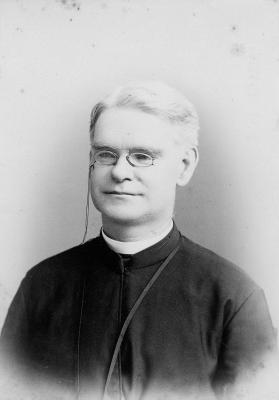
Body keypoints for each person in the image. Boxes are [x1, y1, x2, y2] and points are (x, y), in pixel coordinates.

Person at [0, 81, 277, 400]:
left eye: (142, 157)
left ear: (184, 166)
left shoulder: (233, 296)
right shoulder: (42, 286)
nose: (119, 172)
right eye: (106, 154)